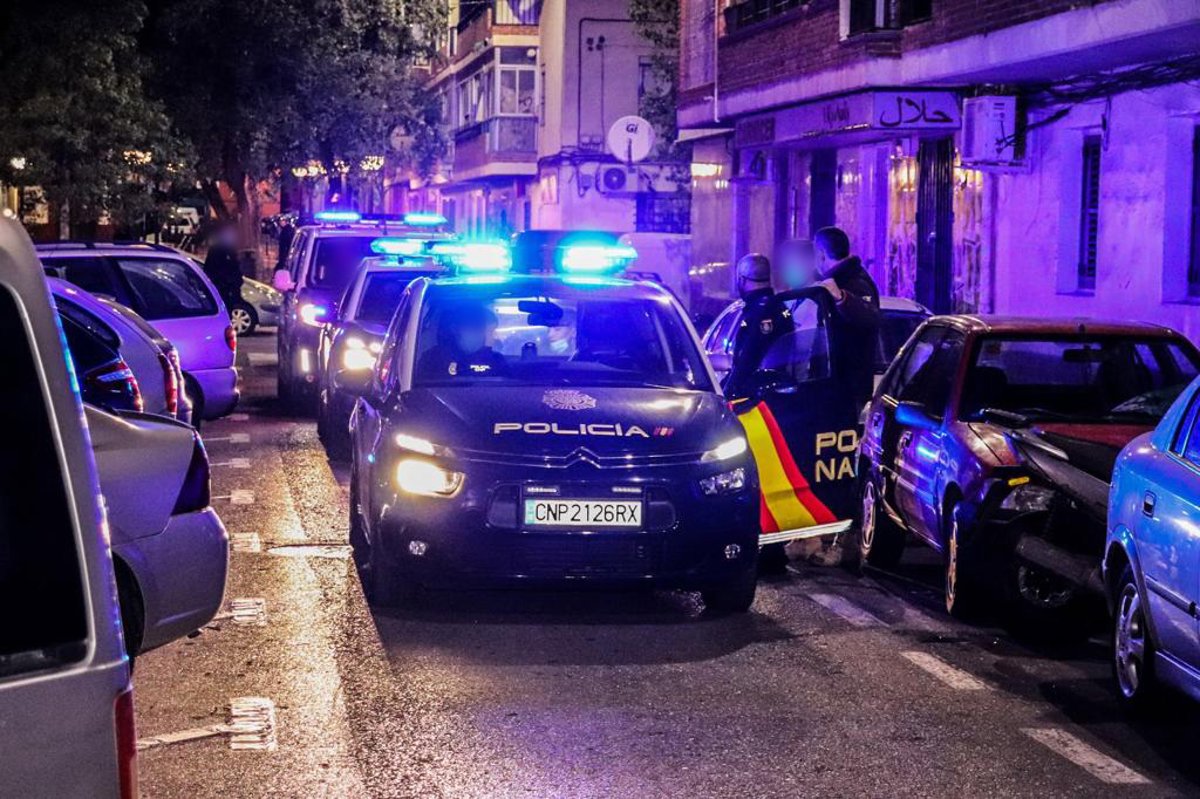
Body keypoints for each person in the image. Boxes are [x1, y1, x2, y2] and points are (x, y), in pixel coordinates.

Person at [812, 226, 880, 406]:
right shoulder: (834, 281)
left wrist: (842, 298)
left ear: (821, 254)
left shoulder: (855, 281)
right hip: (834, 386)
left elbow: (869, 317)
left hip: (848, 389)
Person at [724, 253, 793, 398]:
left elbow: (748, 357)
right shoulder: (781, 307)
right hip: (781, 389)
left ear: (742, 280)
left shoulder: (757, 312)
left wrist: (729, 391)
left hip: (756, 395)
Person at [418, 303, 508, 380]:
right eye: (472, 327)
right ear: (454, 328)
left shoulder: (496, 361)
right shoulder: (433, 359)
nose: (478, 333)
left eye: (481, 328)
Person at [203, 223, 244, 312]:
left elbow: (236, 269)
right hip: (221, 288)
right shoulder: (216, 250)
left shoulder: (231, 251)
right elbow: (210, 268)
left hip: (229, 289)